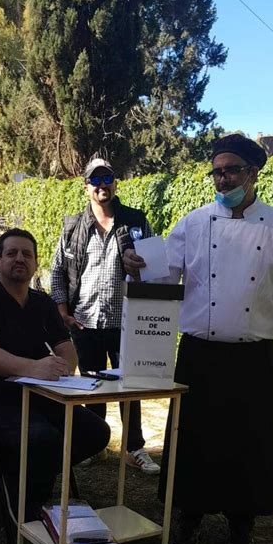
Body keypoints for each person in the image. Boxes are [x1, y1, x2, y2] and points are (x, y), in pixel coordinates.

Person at [124, 134, 273, 544]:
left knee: (250, 446)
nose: (222, 179)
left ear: (253, 173)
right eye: (217, 171)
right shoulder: (193, 223)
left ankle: (242, 531)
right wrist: (136, 262)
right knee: (193, 441)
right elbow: (162, 273)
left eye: (231, 170)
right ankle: (188, 519)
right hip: (199, 355)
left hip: (252, 356)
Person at [0, 228, 110, 520]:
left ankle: (30, 476)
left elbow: (66, 348)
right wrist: (34, 367)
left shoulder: (43, 304)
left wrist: (64, 370)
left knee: (96, 432)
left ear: (36, 263)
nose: (19, 259)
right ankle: (26, 509)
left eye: (27, 254)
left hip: (40, 397)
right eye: (12, 253)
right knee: (43, 438)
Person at [50, 156, 160, 475]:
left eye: (107, 179)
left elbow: (153, 270)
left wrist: (140, 267)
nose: (102, 186)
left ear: (115, 183)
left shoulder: (136, 222)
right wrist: (62, 313)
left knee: (131, 386)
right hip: (84, 321)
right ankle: (94, 445)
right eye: (95, 180)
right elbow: (58, 271)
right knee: (92, 387)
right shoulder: (73, 226)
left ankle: (135, 448)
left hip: (126, 322)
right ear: (86, 188)